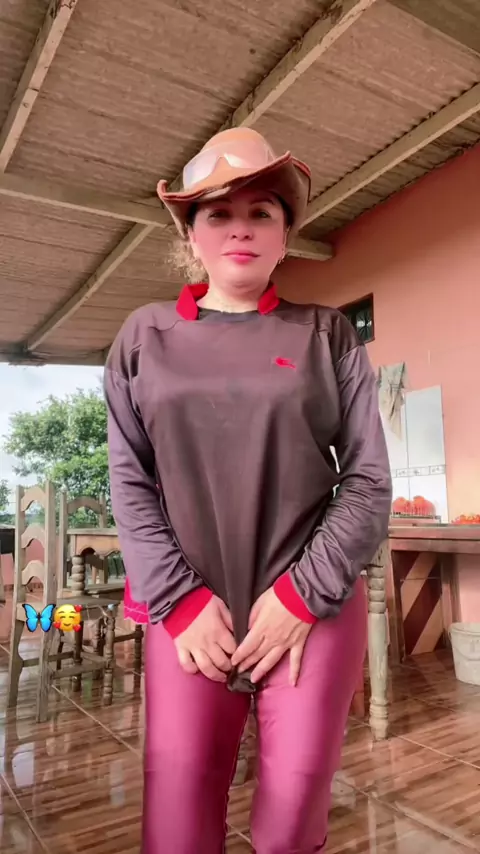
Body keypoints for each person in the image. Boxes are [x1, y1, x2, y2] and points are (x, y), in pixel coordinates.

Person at [104, 127, 392, 854]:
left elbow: (366, 479)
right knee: (177, 821)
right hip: (189, 612)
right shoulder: (143, 338)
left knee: (293, 817)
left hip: (310, 605)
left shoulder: (327, 335)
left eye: (261, 211)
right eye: (218, 213)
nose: (240, 228)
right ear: (191, 235)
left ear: (285, 233)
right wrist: (179, 602)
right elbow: (130, 480)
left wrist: (301, 597)